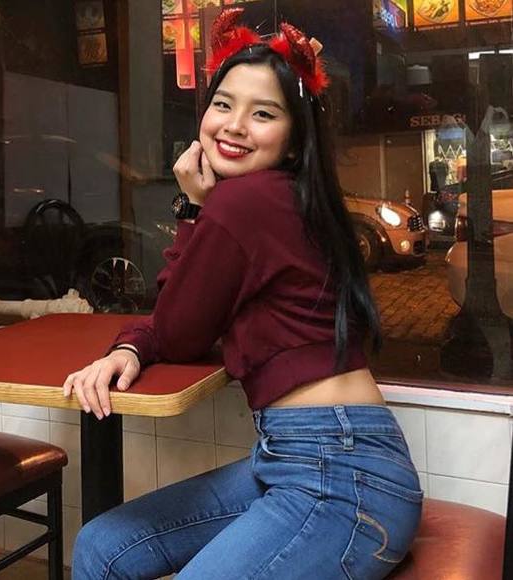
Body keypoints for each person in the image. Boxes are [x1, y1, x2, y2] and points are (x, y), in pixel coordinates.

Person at [66, 9, 423, 579]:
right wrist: (131, 346)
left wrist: (192, 207)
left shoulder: (244, 203)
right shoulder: (296, 200)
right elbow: (186, 317)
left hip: (341, 480)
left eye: (263, 113)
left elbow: (179, 332)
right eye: (223, 104)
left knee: (102, 547)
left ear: (293, 140)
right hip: (303, 457)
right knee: (103, 545)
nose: (234, 126)